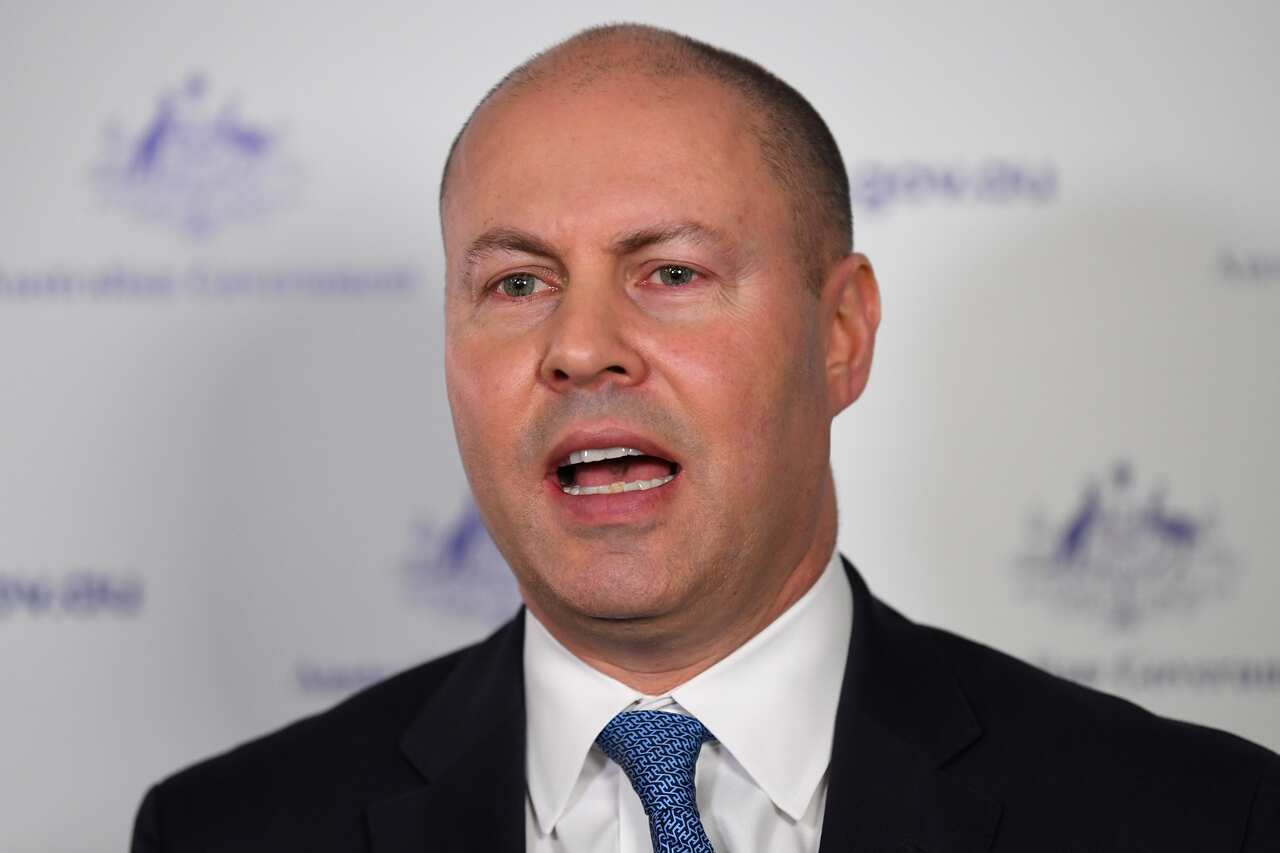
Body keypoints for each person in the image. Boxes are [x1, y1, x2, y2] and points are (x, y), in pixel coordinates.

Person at [131, 23, 1278, 853]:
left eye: (669, 272)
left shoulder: (1189, 819)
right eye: (518, 281)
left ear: (838, 335)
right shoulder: (224, 830)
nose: (580, 347)